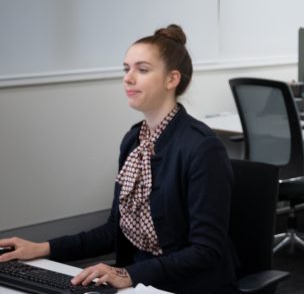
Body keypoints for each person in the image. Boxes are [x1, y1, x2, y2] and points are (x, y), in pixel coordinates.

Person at [0, 24, 237, 294]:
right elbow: (115, 229)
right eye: (127, 69)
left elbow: (206, 251)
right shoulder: (135, 140)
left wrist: (128, 274)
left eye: (142, 69)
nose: (128, 78)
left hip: (188, 286)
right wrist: (42, 248)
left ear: (172, 80)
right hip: (138, 281)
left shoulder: (202, 148)